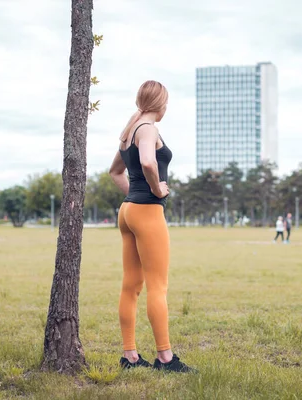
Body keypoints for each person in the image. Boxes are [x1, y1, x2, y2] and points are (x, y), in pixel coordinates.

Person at [109, 80, 194, 373]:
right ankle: (165, 358)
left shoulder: (127, 133)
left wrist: (135, 196)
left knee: (131, 286)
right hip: (147, 212)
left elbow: (115, 172)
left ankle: (130, 356)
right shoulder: (147, 129)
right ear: (160, 104)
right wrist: (157, 190)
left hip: (128, 211)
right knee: (158, 287)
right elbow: (147, 161)